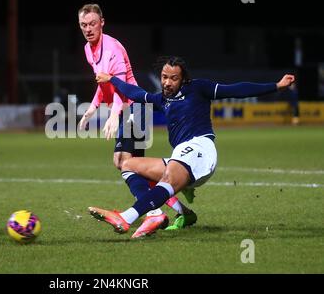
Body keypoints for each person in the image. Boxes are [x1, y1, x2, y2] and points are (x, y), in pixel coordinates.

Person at [89, 56, 295, 238]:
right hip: (182, 155)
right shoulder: (162, 99)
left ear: (183, 79)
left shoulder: (198, 88)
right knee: (128, 165)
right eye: (164, 77)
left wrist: (276, 85)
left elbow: (236, 89)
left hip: (200, 149)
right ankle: (181, 213)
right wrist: (112, 80)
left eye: (173, 78)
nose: (167, 82)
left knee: (168, 179)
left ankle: (125, 218)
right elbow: (135, 93)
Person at [77, 4, 187, 237]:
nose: (88, 29)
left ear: (102, 22)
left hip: (134, 107)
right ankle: (179, 208)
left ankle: (154, 212)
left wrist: (115, 115)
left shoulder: (113, 49)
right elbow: (103, 85)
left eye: (92, 23)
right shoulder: (89, 49)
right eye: (83, 25)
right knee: (137, 169)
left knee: (122, 161)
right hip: (129, 110)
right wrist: (92, 109)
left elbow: (119, 87)